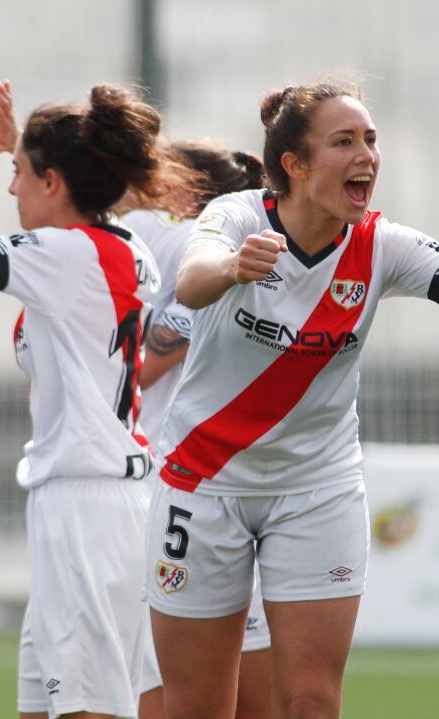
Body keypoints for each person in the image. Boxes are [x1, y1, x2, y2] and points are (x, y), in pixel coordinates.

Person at [145, 78, 439, 719]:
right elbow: (192, 280)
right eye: (344, 141)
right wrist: (234, 267)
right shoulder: (233, 219)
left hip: (316, 490)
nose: (367, 154)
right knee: (197, 709)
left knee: (313, 703)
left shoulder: (384, 245)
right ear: (294, 164)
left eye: (371, 139)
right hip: (201, 484)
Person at [0, 83, 196, 719]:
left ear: (55, 180)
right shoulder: (111, 245)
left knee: (88, 708)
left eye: (18, 174)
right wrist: (1, 165)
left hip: (87, 506)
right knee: (50, 705)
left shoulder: (67, 254)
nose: (11, 188)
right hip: (94, 501)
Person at [123, 140, 273, 719]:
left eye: (159, 177)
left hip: (180, 483)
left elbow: (144, 366)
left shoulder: (197, 254)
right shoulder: (226, 256)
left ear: (184, 190)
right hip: (229, 481)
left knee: (171, 684)